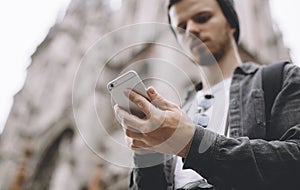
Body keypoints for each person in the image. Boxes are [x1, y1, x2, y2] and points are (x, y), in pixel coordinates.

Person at [114, 0, 300, 189]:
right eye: (181, 27)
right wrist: (146, 153)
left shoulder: (280, 79)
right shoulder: (178, 111)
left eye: (202, 18)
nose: (191, 30)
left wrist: (191, 142)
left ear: (231, 24)